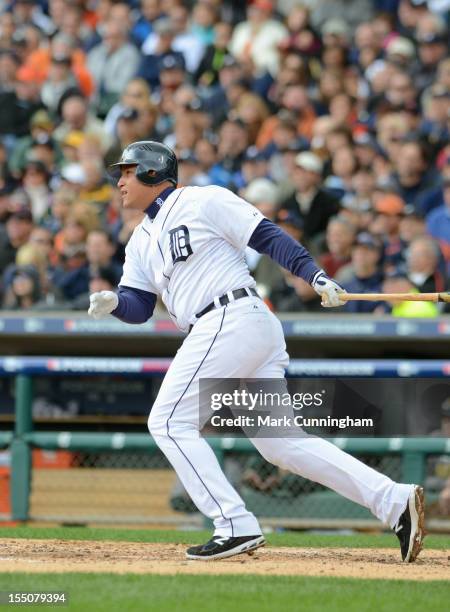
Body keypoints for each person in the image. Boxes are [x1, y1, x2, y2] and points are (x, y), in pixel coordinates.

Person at [88, 140, 425, 563]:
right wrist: (115, 304)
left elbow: (265, 234)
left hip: (232, 317)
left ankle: (234, 523)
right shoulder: (139, 241)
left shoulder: (202, 200)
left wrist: (313, 274)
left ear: (154, 172)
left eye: (128, 171)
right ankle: (393, 501)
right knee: (281, 445)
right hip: (233, 328)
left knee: (169, 422)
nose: (119, 181)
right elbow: (138, 306)